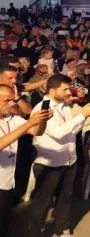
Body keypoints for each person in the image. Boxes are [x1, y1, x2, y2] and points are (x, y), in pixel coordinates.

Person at [28, 74, 90, 237]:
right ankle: (35, 233)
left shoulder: (65, 106)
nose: (69, 92)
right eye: (65, 89)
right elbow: (58, 133)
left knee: (65, 198)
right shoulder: (42, 108)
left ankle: (62, 229)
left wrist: (80, 120)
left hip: (69, 159)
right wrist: (82, 116)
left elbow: (71, 130)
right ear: (52, 90)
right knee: (42, 203)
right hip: (49, 163)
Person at [0, 84, 50, 237]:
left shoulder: (12, 118)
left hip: (7, 181)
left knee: (4, 222)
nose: (12, 104)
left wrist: (42, 120)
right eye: (6, 101)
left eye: (12, 100)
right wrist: (29, 122)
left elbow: (36, 131)